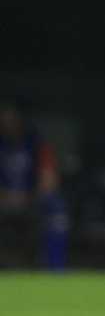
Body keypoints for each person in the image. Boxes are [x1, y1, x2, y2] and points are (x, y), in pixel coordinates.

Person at [0, 96, 68, 270]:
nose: (8, 122)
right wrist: (7, 196)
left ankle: (55, 269)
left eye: (12, 118)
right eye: (4, 118)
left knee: (56, 208)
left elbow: (49, 179)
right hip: (3, 199)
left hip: (31, 199)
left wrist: (28, 196)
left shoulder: (36, 143)